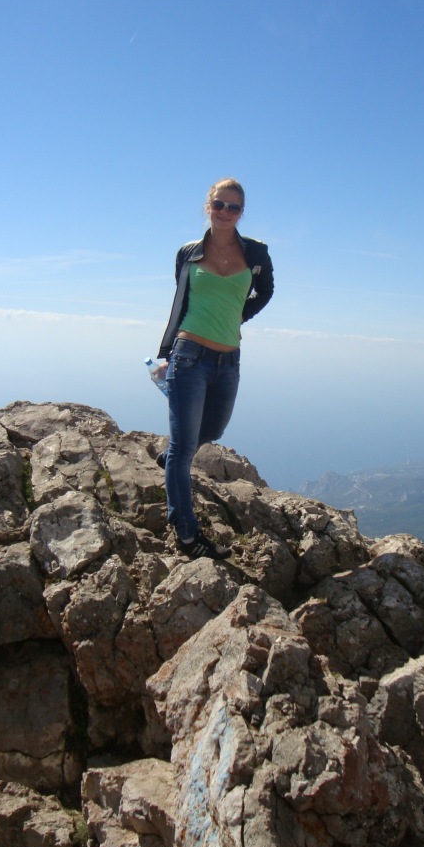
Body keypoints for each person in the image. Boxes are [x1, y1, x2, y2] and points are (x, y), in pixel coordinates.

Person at [155, 177, 274, 560]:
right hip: (189, 355)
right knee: (184, 448)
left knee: (214, 429)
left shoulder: (255, 253)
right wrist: (168, 352)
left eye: (233, 207)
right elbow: (182, 299)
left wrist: (239, 315)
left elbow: (266, 291)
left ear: (241, 213)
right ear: (209, 206)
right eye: (219, 204)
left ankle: (170, 460)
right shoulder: (188, 253)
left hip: (229, 359)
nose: (225, 212)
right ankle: (187, 534)